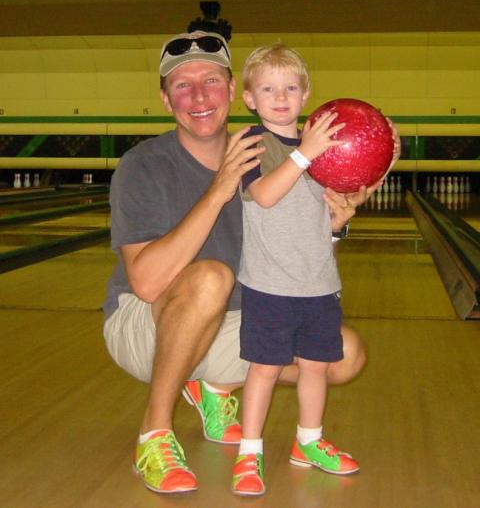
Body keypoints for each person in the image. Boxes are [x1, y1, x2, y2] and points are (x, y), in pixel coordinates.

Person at [102, 31, 374, 496]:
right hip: (143, 324)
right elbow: (145, 283)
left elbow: (295, 263)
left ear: (232, 92)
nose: (199, 96)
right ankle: (155, 434)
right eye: (182, 86)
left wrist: (333, 227)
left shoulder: (269, 156)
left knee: (343, 354)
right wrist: (220, 188)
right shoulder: (142, 164)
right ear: (166, 101)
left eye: (210, 81)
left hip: (237, 322)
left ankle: (213, 384)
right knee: (211, 277)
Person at [231, 43, 366, 496]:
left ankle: (308, 441)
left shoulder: (322, 151)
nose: (281, 96)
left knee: (315, 367)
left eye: (290, 87)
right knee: (264, 369)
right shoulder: (253, 142)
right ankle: (249, 453)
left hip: (319, 286)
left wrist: (339, 220)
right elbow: (266, 196)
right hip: (269, 287)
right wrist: (305, 153)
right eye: (268, 88)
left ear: (306, 94)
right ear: (250, 98)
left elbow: (315, 221)